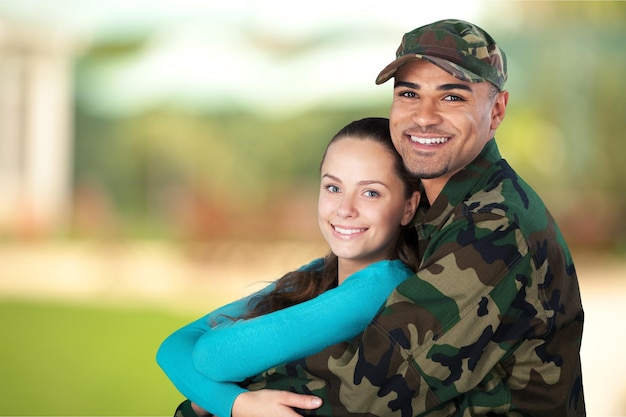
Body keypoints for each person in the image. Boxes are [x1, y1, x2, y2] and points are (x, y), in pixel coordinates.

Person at [223, 19, 586, 416]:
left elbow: (372, 386)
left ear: (496, 110)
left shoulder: (494, 227)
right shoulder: (438, 210)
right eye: (409, 93)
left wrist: (229, 399)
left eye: (452, 98)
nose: (424, 117)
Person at [157, 117, 423, 417]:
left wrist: (209, 393)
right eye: (333, 187)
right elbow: (172, 346)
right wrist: (238, 403)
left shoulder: (383, 286)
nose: (345, 209)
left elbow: (212, 356)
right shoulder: (317, 274)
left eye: (370, 192)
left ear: (408, 207)